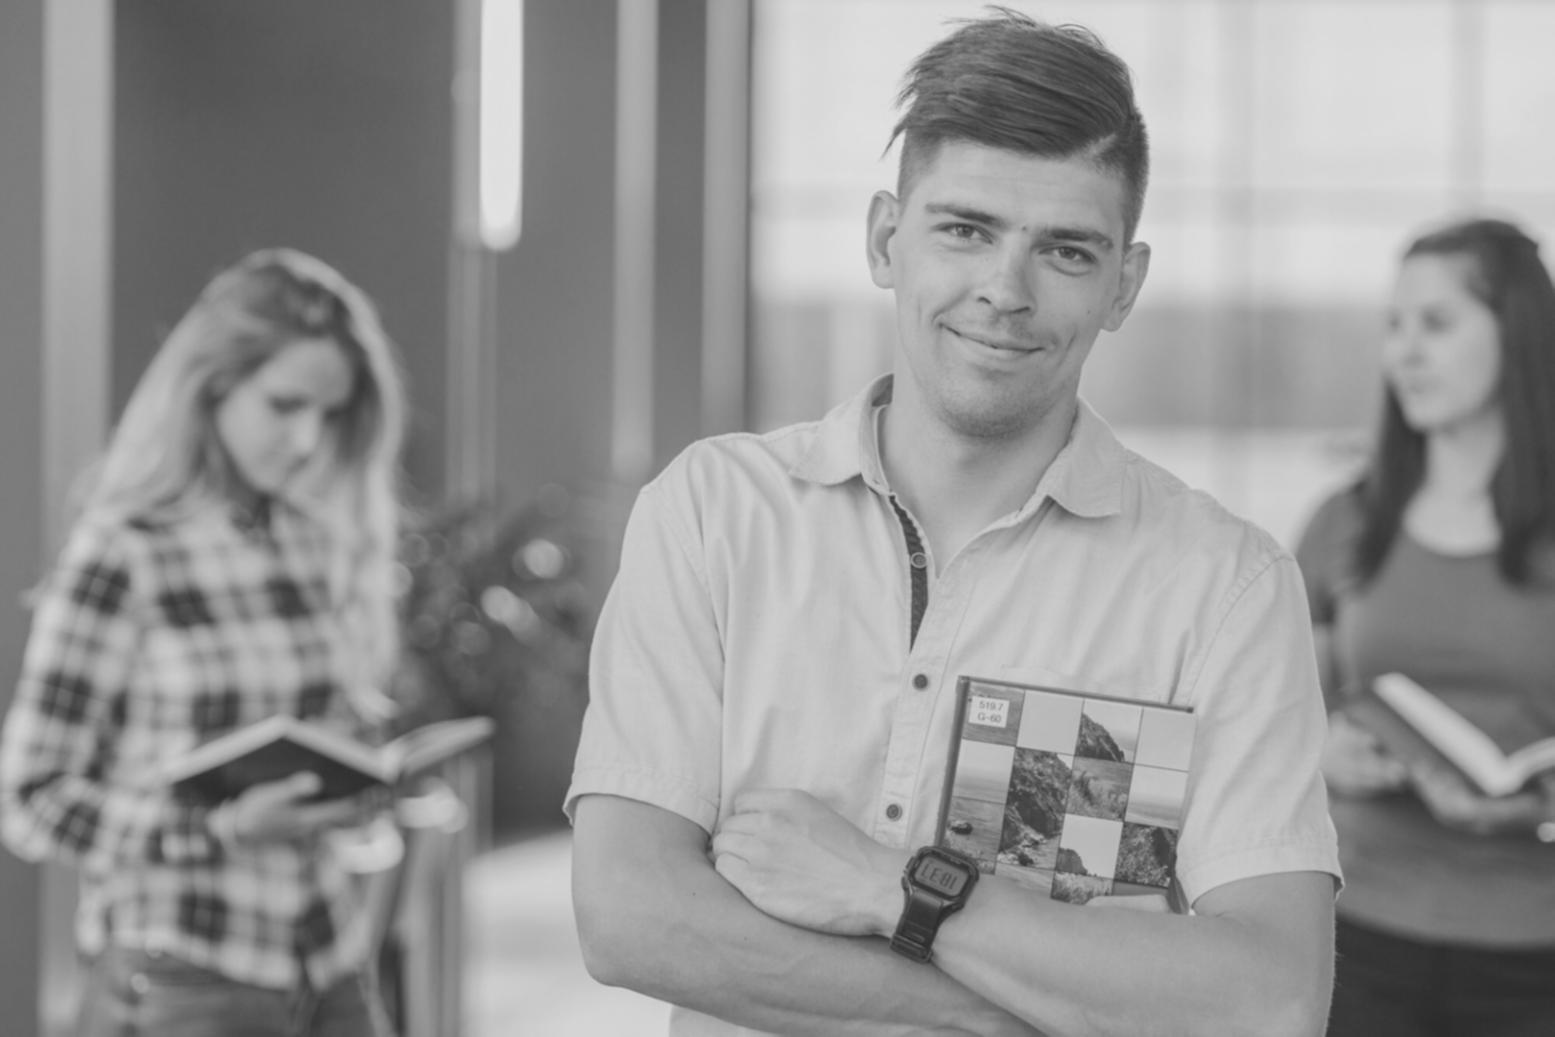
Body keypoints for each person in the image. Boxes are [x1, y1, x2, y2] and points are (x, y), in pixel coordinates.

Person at [567, 10, 1340, 1036]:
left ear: (1124, 285)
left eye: (1065, 251)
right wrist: (984, 1004)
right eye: (965, 229)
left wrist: (902, 891)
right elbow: (630, 917)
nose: (1003, 291)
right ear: (887, 238)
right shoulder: (713, 515)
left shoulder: (1223, 585)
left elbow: (1268, 996)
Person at [0, 248, 407, 1037]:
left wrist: (357, 781)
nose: (305, 440)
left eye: (328, 414)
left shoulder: (311, 536)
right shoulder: (125, 552)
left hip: (327, 956)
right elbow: (28, 797)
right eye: (284, 405)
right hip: (186, 974)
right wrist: (213, 829)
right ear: (211, 387)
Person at [1295, 217, 1555, 1037]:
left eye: (1436, 324)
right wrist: (1325, 748)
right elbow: (1282, 706)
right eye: (1395, 325)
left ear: (1516, 336)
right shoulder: (1346, 519)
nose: (1404, 351)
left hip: (1535, 951)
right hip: (1359, 934)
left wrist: (1535, 806)